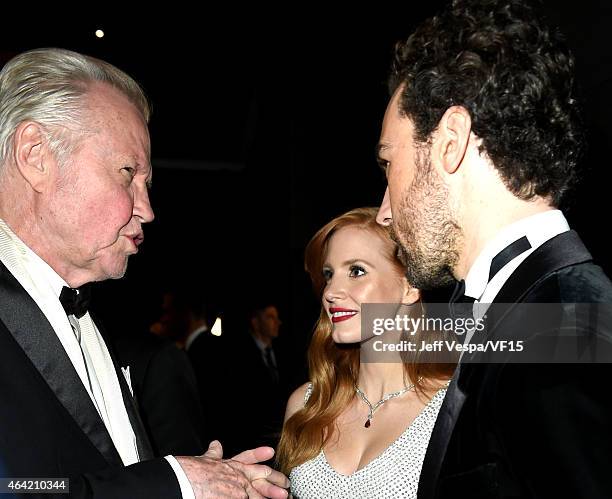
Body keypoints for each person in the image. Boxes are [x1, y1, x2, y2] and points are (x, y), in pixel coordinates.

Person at [0, 47, 288, 498]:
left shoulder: (87, 318)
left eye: (146, 183)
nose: (148, 210)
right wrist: (174, 483)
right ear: (35, 154)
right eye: (127, 173)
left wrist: (205, 482)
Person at [375, 1, 612, 497]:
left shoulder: (562, 325)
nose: (384, 212)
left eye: (387, 163)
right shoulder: (538, 310)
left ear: (450, 140)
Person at [278, 207, 454, 498]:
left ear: (410, 286)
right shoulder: (307, 404)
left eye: (356, 271)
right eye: (329, 275)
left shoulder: (452, 406)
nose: (331, 291)